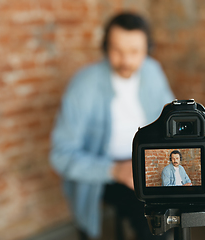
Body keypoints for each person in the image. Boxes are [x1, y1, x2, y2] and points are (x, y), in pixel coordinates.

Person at [50, 12, 174, 239]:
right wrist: (115, 170)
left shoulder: (153, 70)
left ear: (148, 48)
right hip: (104, 169)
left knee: (174, 217)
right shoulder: (83, 85)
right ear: (105, 47)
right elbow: (61, 155)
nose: (126, 60)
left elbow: (170, 119)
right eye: (117, 50)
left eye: (135, 52)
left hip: (148, 163)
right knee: (152, 224)